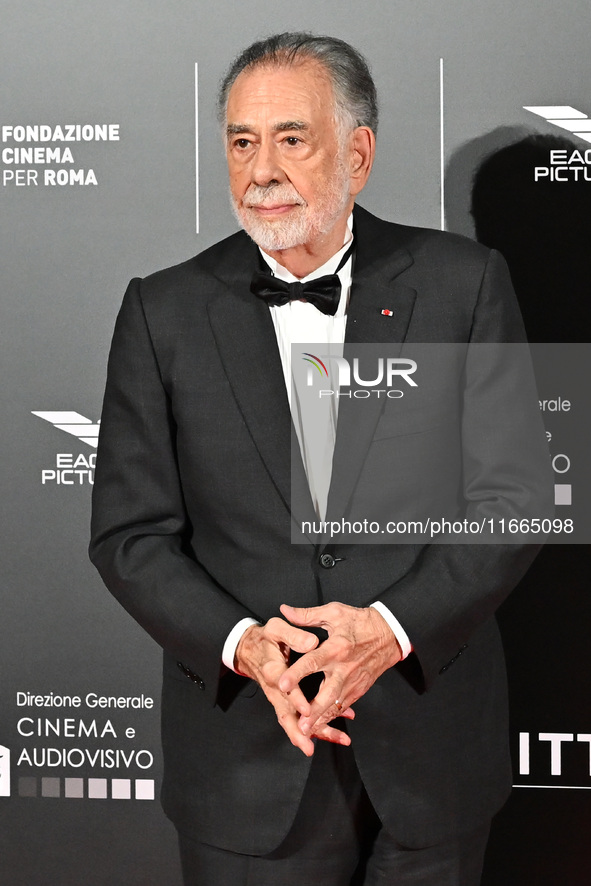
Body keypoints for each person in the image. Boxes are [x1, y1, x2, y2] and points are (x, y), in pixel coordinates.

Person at [90, 32, 550, 885]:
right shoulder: (163, 310)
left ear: (359, 153)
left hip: (431, 756)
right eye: (240, 141)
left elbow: (515, 499)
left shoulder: (463, 283)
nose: (260, 169)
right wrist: (243, 645)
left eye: (291, 139)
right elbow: (130, 535)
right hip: (246, 765)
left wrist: (389, 630)